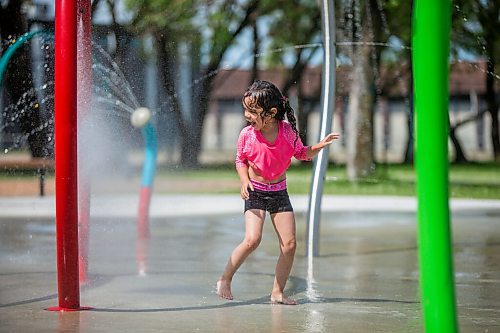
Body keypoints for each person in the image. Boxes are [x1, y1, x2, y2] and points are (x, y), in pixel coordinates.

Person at [216, 80, 340, 305]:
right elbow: (240, 159)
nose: (246, 115)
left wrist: (318, 146)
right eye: (245, 109)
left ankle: (277, 292)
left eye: (252, 111)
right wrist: (244, 180)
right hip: (255, 190)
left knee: (290, 245)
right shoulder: (247, 135)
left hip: (279, 192)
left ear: (272, 113)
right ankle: (225, 278)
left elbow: (301, 153)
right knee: (253, 239)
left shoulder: (287, 132)